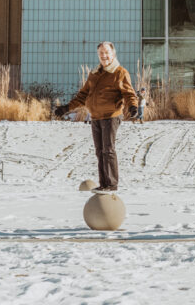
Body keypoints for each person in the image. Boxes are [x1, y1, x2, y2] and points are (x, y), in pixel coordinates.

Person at [54, 41, 138, 192]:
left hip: (111, 116)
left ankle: (111, 184)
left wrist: (133, 106)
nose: (104, 56)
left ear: (113, 54)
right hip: (96, 117)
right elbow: (83, 95)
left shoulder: (120, 72)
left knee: (108, 149)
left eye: (107, 53)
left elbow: (129, 93)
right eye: (101, 53)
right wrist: (66, 108)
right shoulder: (94, 74)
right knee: (99, 151)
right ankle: (104, 184)